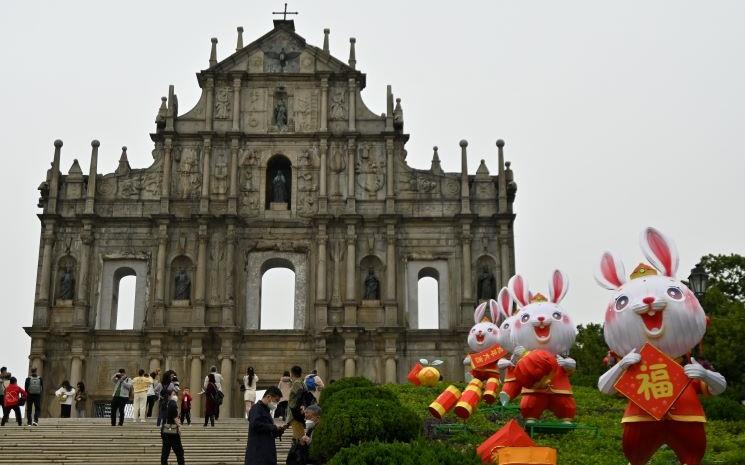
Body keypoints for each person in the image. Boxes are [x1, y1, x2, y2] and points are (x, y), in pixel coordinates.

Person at [245, 386, 288, 465]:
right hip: (258, 454)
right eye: (276, 400)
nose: (277, 404)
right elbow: (255, 424)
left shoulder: (266, 410)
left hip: (266, 453)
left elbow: (266, 431)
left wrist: (278, 431)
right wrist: (273, 427)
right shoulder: (256, 408)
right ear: (269, 397)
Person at [160, 388, 186, 465]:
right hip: (172, 430)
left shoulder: (164, 403)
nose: (175, 396)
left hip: (165, 429)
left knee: (165, 451)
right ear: (169, 396)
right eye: (173, 394)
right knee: (179, 452)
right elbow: (175, 417)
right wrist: (179, 426)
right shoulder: (172, 403)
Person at [287, 365, 307, 442]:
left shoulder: (297, 383)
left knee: (299, 436)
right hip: (298, 413)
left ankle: (299, 451)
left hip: (295, 413)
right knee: (298, 434)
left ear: (291, 373)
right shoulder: (302, 382)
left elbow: (300, 396)